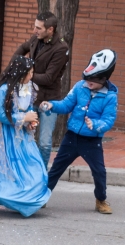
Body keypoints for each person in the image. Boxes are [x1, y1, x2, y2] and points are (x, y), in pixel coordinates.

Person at [0, 56, 50, 217]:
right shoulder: (3, 90)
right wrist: (23, 118)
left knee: (28, 163)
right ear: (20, 74)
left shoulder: (29, 88)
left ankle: (21, 198)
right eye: (30, 72)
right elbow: (1, 116)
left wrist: (29, 121)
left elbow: (25, 109)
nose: (32, 75)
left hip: (19, 133)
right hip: (0, 134)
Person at [42, 49, 118, 215]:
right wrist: (52, 105)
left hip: (91, 141)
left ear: (104, 79)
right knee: (56, 168)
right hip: (72, 137)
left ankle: (101, 200)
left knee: (99, 172)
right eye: (87, 77)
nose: (88, 81)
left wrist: (95, 124)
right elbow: (66, 105)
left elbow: (108, 120)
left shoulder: (110, 97)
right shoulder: (79, 87)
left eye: (94, 79)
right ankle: (41, 197)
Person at [13, 11, 69, 169]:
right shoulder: (35, 39)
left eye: (38, 28)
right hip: (31, 98)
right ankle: (24, 170)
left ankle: (41, 174)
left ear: (50, 29)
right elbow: (22, 48)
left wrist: (25, 75)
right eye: (34, 26)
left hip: (49, 101)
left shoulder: (60, 48)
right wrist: (15, 67)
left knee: (44, 143)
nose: (34, 30)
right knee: (23, 137)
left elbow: (49, 78)